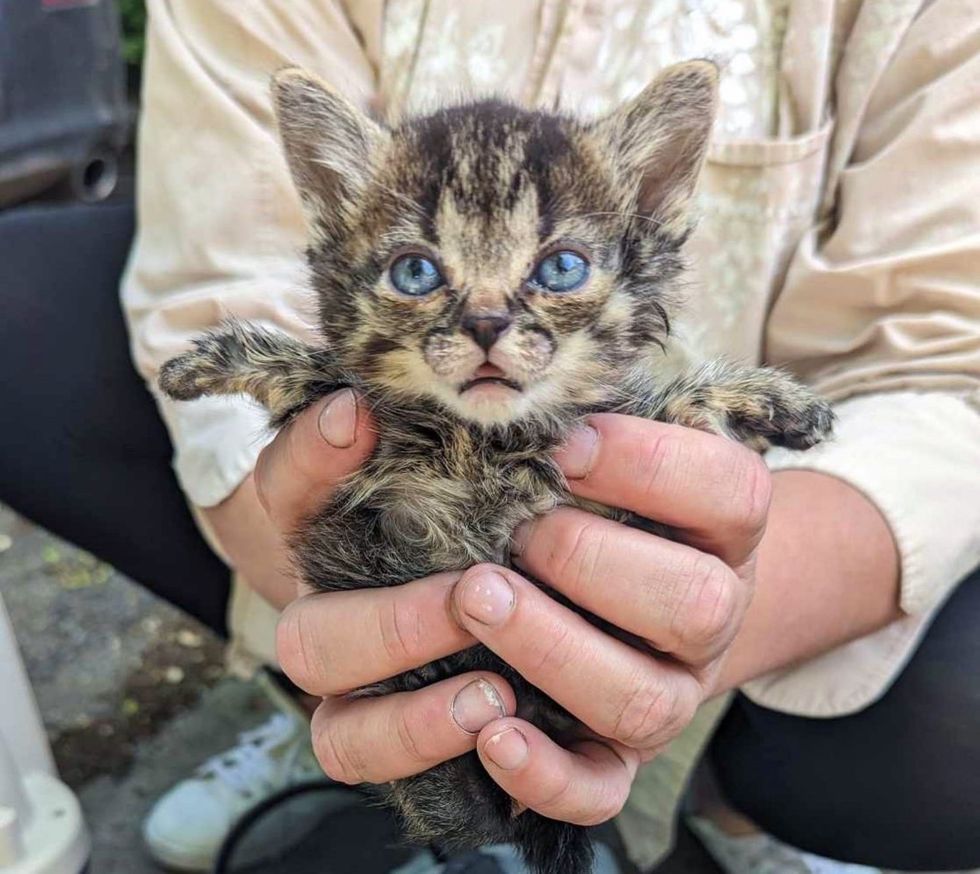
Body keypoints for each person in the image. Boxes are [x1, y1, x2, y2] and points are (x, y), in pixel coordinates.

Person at [54, 1, 980, 872]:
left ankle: (709, 796)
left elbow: (942, 359)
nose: (491, 318)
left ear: (650, 212)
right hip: (377, 554)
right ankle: (316, 697)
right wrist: (330, 588)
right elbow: (211, 283)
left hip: (711, 588)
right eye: (421, 269)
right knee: (37, 300)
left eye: (560, 266)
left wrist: (683, 634)